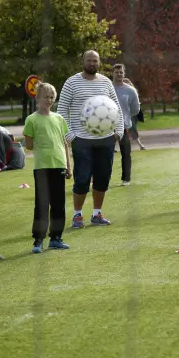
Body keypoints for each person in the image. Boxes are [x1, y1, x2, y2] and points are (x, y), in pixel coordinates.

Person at [58, 50, 125, 228]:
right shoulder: (71, 83)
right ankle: (77, 215)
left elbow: (116, 108)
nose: (92, 64)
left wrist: (118, 132)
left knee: (103, 177)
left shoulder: (105, 82)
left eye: (95, 61)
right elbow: (62, 111)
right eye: (89, 60)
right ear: (83, 61)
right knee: (82, 178)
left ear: (99, 62)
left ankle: (97, 214)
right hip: (81, 139)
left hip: (106, 139)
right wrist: (70, 136)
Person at [23, 83, 72, 253]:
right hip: (42, 167)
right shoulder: (31, 119)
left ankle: (56, 238)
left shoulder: (59, 119)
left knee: (59, 204)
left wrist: (68, 165)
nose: (49, 100)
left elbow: (64, 143)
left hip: (58, 164)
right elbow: (28, 145)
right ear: (37, 98)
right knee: (42, 204)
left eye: (52, 97)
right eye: (46, 97)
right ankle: (38, 241)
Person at [112, 64, 140, 187]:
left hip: (124, 126)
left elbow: (135, 109)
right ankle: (104, 178)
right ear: (112, 73)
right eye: (116, 72)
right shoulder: (107, 88)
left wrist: (126, 117)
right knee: (106, 154)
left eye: (121, 72)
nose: (119, 74)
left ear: (124, 74)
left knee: (126, 153)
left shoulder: (130, 90)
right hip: (108, 127)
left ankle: (126, 179)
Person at [122, 78, 146, 150]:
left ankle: (140, 145)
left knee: (133, 129)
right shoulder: (120, 92)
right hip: (123, 114)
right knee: (119, 130)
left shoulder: (132, 92)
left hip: (132, 114)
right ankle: (140, 145)